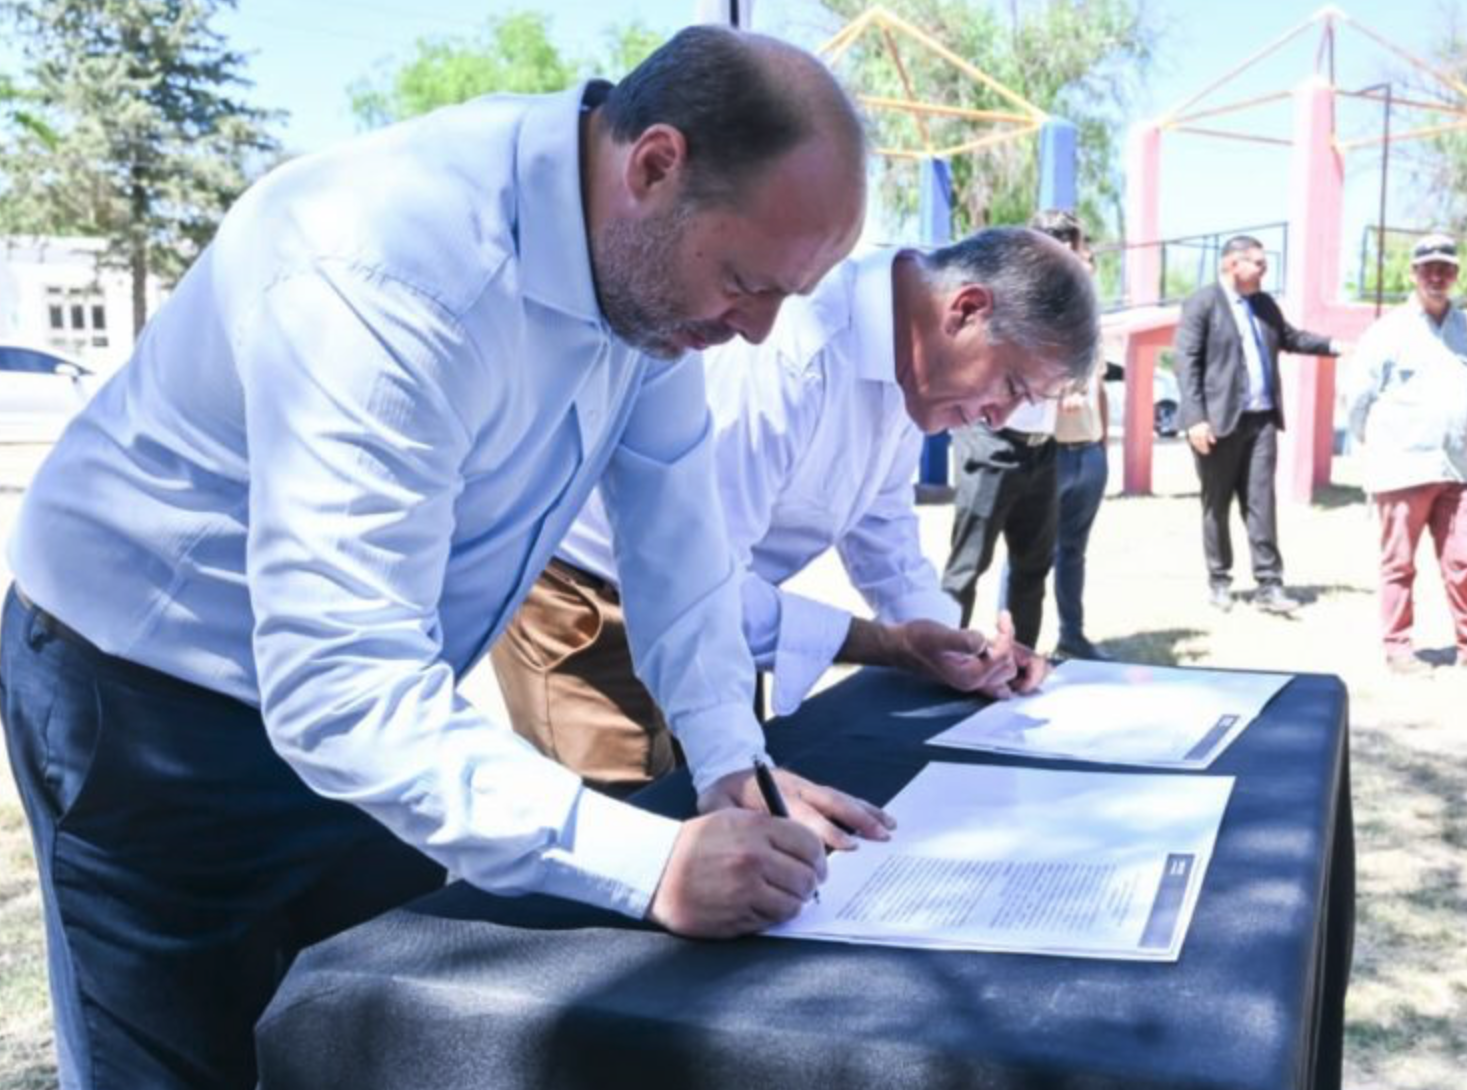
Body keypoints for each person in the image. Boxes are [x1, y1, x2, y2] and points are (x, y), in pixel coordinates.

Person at [0, 28, 890, 1089]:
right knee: (182, 1065)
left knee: (369, 1032)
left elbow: (678, 541)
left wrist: (732, 768)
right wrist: (654, 864)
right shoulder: (387, 265)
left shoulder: (651, 281)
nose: (757, 333)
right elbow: (338, 689)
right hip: (148, 698)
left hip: (367, 700)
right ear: (656, 166)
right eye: (747, 282)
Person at [495, 227, 1095, 792]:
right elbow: (698, 578)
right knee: (631, 825)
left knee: (727, 807)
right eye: (1012, 387)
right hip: (587, 596)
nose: (1000, 418)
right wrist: (887, 644)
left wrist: (959, 647)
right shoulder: (792, 351)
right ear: (967, 310)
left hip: (717, 607)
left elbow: (882, 524)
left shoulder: (913, 364)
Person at [1346, 233, 1467, 674]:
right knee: (1399, 564)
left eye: (1445, 269)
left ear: (1456, 275)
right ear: (1413, 274)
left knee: (1464, 561)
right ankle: (1398, 648)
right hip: (1402, 469)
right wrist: (1377, 450)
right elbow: (1357, 400)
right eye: (1428, 268)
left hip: (1456, 468)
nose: (1437, 276)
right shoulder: (1387, 332)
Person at [1173, 234, 1344, 615]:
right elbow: (1186, 363)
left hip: (1262, 421)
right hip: (1217, 424)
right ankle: (1219, 581)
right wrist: (1195, 419)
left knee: (1262, 502)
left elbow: (1291, 338)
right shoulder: (1203, 303)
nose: (1264, 271)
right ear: (1232, 264)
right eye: (1259, 264)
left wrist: (1334, 346)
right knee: (1216, 504)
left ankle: (1269, 584)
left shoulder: (1264, 305)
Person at [938, 226, 1069, 650]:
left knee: (1033, 567)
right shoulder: (1015, 298)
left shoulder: (1070, 313)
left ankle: (1019, 662)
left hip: (1042, 448)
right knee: (967, 566)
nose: (1078, 260)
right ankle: (944, 657)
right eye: (1068, 250)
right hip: (992, 441)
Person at [1031, 209, 1111, 660]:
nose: (1083, 260)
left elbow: (1099, 385)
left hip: (1089, 453)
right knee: (1031, 554)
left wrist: (1102, 442)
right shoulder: (1035, 310)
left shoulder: (1092, 320)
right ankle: (1018, 642)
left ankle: (1072, 636)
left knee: (1074, 551)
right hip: (1049, 453)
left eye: (1082, 252)